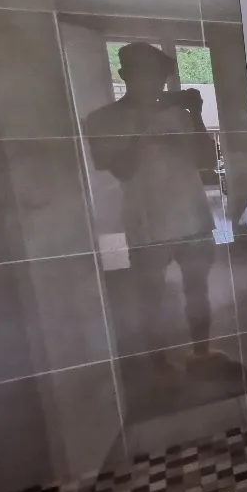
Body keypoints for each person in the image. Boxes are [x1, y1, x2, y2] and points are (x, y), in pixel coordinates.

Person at [86, 42, 221, 366]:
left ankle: (201, 352)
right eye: (145, 75)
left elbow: (207, 161)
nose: (155, 83)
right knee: (151, 298)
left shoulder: (176, 114)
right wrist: (144, 123)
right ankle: (158, 362)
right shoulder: (103, 119)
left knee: (198, 290)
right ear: (124, 75)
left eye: (159, 76)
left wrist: (197, 115)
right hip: (147, 224)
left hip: (193, 217)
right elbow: (122, 170)